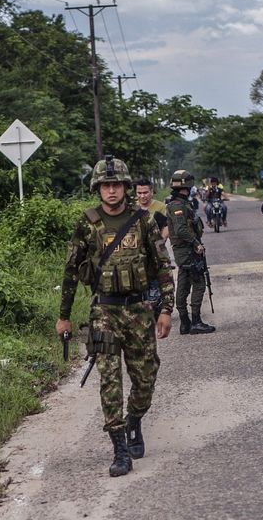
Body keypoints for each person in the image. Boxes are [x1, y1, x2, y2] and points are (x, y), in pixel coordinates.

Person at [56, 155, 174, 477]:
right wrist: (63, 316)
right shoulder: (86, 222)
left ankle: (135, 419)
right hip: (104, 310)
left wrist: (166, 309)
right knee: (109, 380)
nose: (111, 191)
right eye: (106, 185)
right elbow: (70, 270)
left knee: (146, 378)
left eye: (116, 185)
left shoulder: (144, 220)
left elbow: (163, 266)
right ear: (98, 188)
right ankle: (120, 448)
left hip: (138, 310)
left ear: (125, 187)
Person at [165, 169, 215, 335]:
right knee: (199, 283)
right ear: (187, 185)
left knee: (184, 283)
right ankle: (195, 321)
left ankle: (185, 323)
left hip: (185, 251)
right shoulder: (178, 205)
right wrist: (196, 243)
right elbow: (180, 230)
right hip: (186, 251)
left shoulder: (179, 203)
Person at [134, 177, 171, 246]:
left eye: (145, 193)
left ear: (151, 192)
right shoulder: (132, 208)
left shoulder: (161, 207)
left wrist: (160, 241)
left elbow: (167, 227)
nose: (142, 196)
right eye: (139, 193)